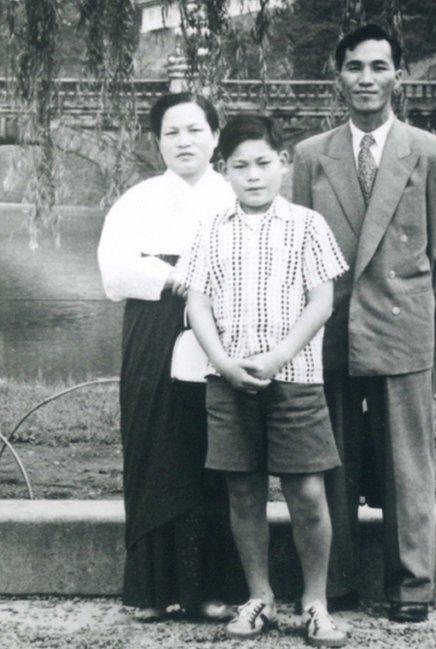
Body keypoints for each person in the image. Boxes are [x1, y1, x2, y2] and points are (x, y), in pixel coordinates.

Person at [292, 24, 436, 622]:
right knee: (328, 455)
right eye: (355, 68)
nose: (367, 79)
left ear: (400, 75)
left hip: (400, 323)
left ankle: (411, 586)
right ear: (337, 76)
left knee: (406, 462)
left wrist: (402, 293)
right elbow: (300, 248)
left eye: (379, 67)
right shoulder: (311, 156)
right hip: (329, 325)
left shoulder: (434, 154)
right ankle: (334, 580)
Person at [175, 115, 350, 647]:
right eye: (241, 167)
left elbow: (323, 301)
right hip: (227, 380)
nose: (254, 176)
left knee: (306, 491)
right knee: (244, 490)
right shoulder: (210, 228)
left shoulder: (306, 226)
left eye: (264, 164)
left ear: (284, 163)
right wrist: (223, 362)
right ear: (223, 170)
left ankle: (315, 603)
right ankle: (260, 598)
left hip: (294, 378)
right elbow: (196, 302)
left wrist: (278, 356)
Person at [97, 92, 243, 621]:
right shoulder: (137, 200)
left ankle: (210, 588)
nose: (185, 141)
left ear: (215, 136)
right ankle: (152, 590)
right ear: (157, 143)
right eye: (172, 133)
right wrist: (174, 277)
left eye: (195, 130)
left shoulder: (235, 195)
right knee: (153, 446)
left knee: (214, 454)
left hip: (223, 330)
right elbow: (114, 274)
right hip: (153, 329)